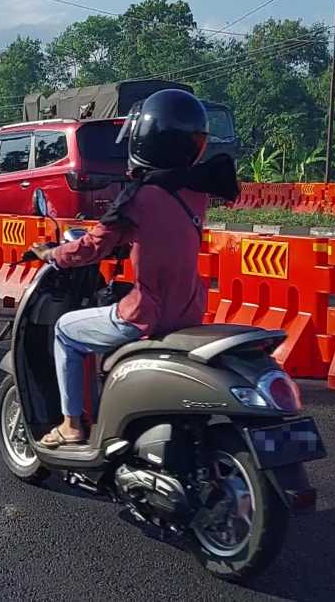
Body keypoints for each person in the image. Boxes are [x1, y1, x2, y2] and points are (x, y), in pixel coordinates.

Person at [30, 89, 239, 448]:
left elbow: (91, 247)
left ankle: (71, 424)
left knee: (66, 330)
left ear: (145, 140)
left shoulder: (139, 197)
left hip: (146, 313)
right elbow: (163, 233)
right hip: (188, 311)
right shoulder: (195, 192)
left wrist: (53, 255)